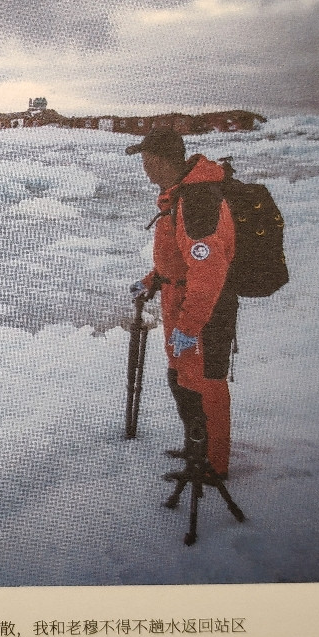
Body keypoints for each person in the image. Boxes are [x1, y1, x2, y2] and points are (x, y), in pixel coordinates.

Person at [126, 127, 237, 479]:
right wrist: (152, 279)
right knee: (183, 377)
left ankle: (213, 464)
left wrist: (190, 327)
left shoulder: (197, 201)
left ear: (158, 161)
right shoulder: (180, 194)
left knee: (206, 381)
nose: (144, 168)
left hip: (205, 307)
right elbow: (181, 258)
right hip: (183, 300)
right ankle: (197, 448)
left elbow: (208, 274)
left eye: (145, 160)